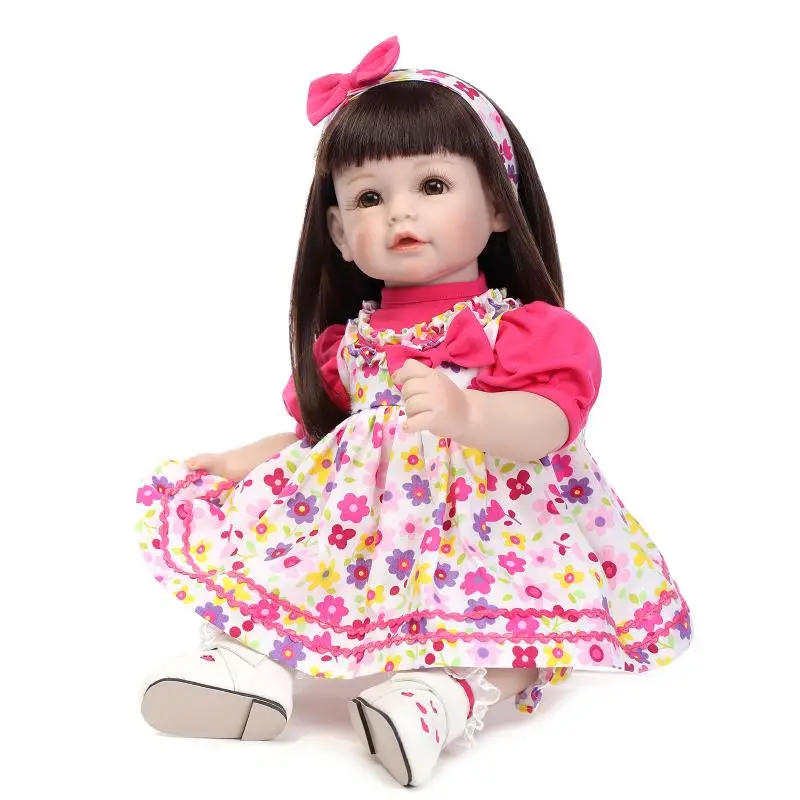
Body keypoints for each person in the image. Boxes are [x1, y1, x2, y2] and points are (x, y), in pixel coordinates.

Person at [133, 35, 692, 787]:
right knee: (266, 556)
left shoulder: (522, 332)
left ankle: (441, 696)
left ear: (499, 204)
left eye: (431, 185)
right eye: (369, 197)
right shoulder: (347, 345)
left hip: (491, 534)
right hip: (364, 531)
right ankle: (246, 668)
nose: (400, 211)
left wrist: (471, 416)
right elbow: (318, 440)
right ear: (339, 234)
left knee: (504, 624)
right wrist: (243, 460)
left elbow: (552, 426)